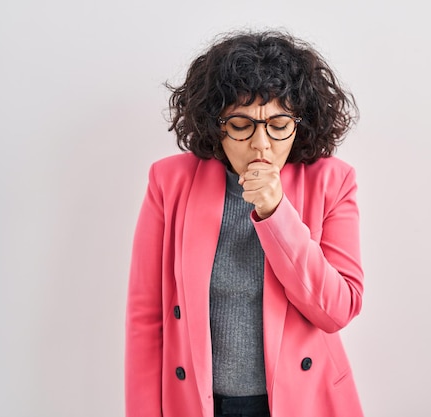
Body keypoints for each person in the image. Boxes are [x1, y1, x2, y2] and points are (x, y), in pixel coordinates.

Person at [125, 28, 364, 417]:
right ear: (214, 123)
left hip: (299, 402)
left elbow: (337, 310)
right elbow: (145, 318)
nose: (261, 144)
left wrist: (276, 214)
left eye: (278, 124)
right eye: (240, 124)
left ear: (299, 123)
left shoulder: (333, 182)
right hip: (196, 403)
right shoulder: (168, 183)